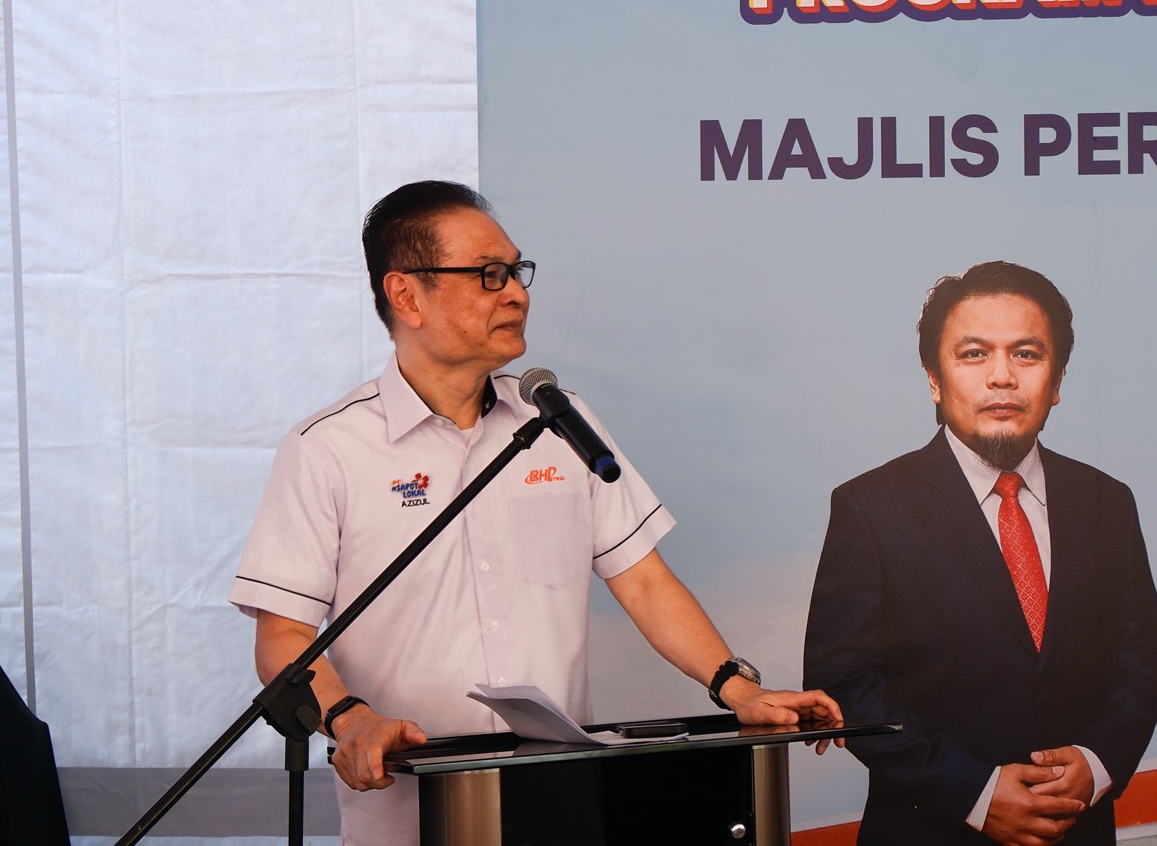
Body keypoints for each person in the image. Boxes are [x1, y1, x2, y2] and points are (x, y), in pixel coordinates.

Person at [230, 180, 842, 844]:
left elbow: (644, 581)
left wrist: (738, 688)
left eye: (516, 271)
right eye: (487, 275)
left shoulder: (557, 421)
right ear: (406, 295)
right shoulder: (328, 448)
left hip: (557, 802)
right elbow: (283, 635)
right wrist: (352, 719)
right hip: (407, 814)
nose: (517, 294)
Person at [803, 261, 1157, 845]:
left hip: (1076, 829)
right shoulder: (870, 508)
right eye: (974, 354)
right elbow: (845, 681)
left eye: (1026, 354)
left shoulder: (1107, 501)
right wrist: (973, 793)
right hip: (929, 830)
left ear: (1057, 380)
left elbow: (1140, 651)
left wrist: (1099, 763)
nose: (1002, 377)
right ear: (934, 379)